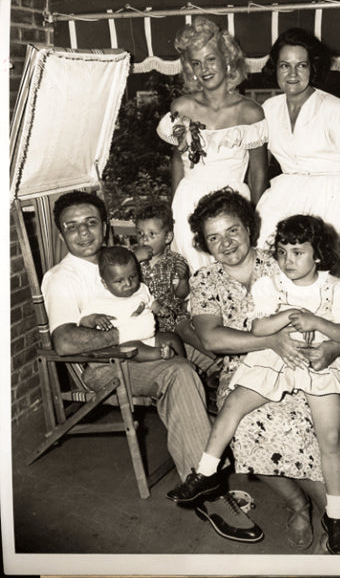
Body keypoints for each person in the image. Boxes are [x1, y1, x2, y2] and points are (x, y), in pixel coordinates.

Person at [40, 189, 264, 543]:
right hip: (109, 365)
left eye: (91, 223)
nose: (83, 233)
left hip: (153, 343)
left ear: (105, 226)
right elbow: (65, 342)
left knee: (224, 350)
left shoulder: (121, 259)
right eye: (72, 227)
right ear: (61, 233)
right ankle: (207, 490)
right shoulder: (63, 278)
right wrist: (131, 332)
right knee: (179, 372)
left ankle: (247, 442)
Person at [167, 213, 340, 554]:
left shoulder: (284, 268)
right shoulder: (215, 279)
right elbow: (230, 335)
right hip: (259, 367)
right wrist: (280, 331)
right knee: (243, 419)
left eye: (233, 230)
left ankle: (336, 515)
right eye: (214, 237)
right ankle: (280, 499)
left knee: (325, 435)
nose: (227, 242)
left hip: (317, 366)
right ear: (204, 243)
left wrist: (323, 335)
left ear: (248, 230)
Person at [256, 27, 340, 280]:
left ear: (313, 68)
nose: (293, 74)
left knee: (323, 274)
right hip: (285, 192)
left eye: (301, 65)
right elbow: (258, 163)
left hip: (330, 194)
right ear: (275, 68)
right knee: (268, 266)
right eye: (285, 65)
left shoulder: (334, 108)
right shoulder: (268, 108)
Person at [156, 16, 268, 272]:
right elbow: (176, 160)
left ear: (227, 60)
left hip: (234, 207)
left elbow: (258, 173)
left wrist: (255, 219)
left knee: (236, 279)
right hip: (189, 203)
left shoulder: (250, 112)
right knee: (194, 281)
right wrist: (173, 212)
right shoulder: (182, 108)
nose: (204, 69)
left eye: (210, 59)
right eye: (196, 63)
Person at [133, 201, 215, 364]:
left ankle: (216, 357)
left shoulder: (175, 261)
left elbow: (181, 294)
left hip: (173, 313)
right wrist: (135, 259)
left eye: (151, 234)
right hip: (146, 315)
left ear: (168, 237)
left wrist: (183, 279)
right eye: (140, 233)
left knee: (184, 328)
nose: (144, 240)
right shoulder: (131, 259)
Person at [79, 245, 185, 361]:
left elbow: (151, 302)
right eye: (120, 281)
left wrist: (159, 309)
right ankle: (161, 354)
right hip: (126, 342)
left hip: (150, 336)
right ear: (105, 283)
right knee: (136, 350)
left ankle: (184, 362)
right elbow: (83, 322)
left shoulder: (141, 288)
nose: (128, 284)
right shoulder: (100, 300)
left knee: (173, 339)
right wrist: (95, 318)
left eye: (132, 277)